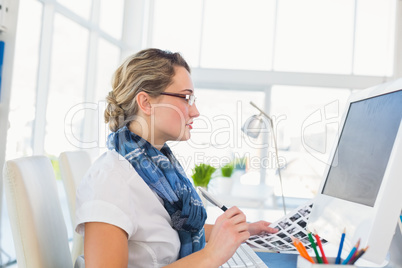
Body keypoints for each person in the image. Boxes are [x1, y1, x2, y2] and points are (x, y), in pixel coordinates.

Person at [75, 48, 278, 268]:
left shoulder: (157, 170)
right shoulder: (110, 181)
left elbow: (166, 233)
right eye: (186, 97)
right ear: (145, 103)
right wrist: (211, 255)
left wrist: (242, 230)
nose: (195, 111)